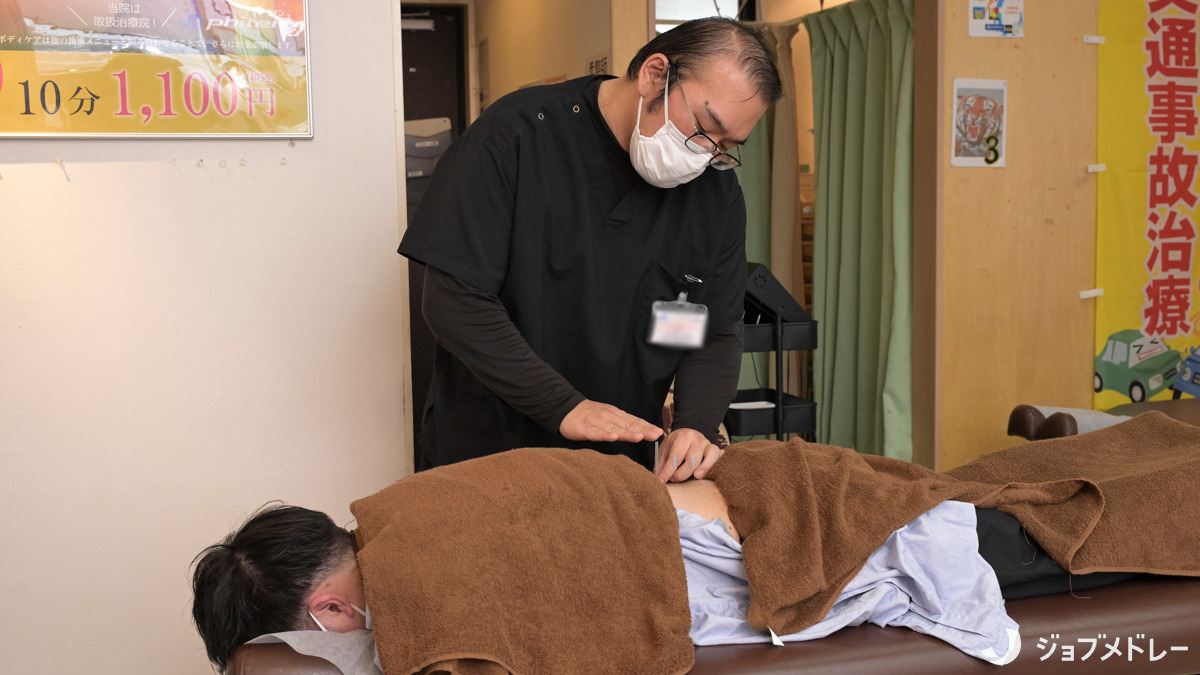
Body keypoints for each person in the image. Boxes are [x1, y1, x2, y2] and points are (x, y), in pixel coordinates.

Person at [191, 481, 1140, 672]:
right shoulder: (400, 507)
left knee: (1075, 533)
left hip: (806, 526)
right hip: (753, 505)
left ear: (326, 609)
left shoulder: (422, 595)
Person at [399, 17, 784, 480]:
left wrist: (695, 424)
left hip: (620, 469)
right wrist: (564, 406)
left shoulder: (715, 198)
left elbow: (711, 328)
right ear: (655, 75)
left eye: (725, 146)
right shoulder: (517, 136)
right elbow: (455, 301)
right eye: (705, 126)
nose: (705, 154)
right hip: (490, 455)